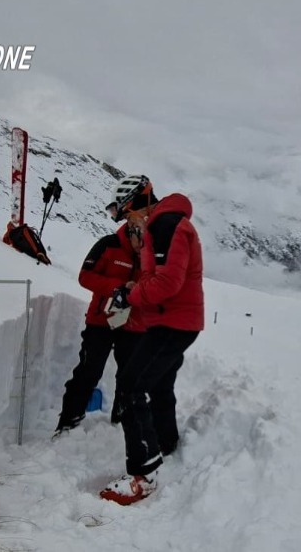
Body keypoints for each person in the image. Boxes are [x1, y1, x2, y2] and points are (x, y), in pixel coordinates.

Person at [98, 175, 204, 505]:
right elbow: (155, 278)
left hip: (173, 321)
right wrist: (132, 289)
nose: (129, 223)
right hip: (174, 319)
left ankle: (143, 473)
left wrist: (132, 298)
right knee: (157, 384)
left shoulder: (165, 224)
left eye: (127, 215)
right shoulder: (161, 225)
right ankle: (164, 442)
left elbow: (169, 283)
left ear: (136, 205)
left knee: (131, 385)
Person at [53, 221, 144, 437]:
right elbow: (85, 276)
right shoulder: (108, 245)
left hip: (132, 324)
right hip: (100, 321)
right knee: (89, 370)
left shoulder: (148, 255)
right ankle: (68, 421)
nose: (143, 246)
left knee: (129, 376)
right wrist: (117, 288)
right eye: (140, 240)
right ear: (132, 231)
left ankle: (120, 424)